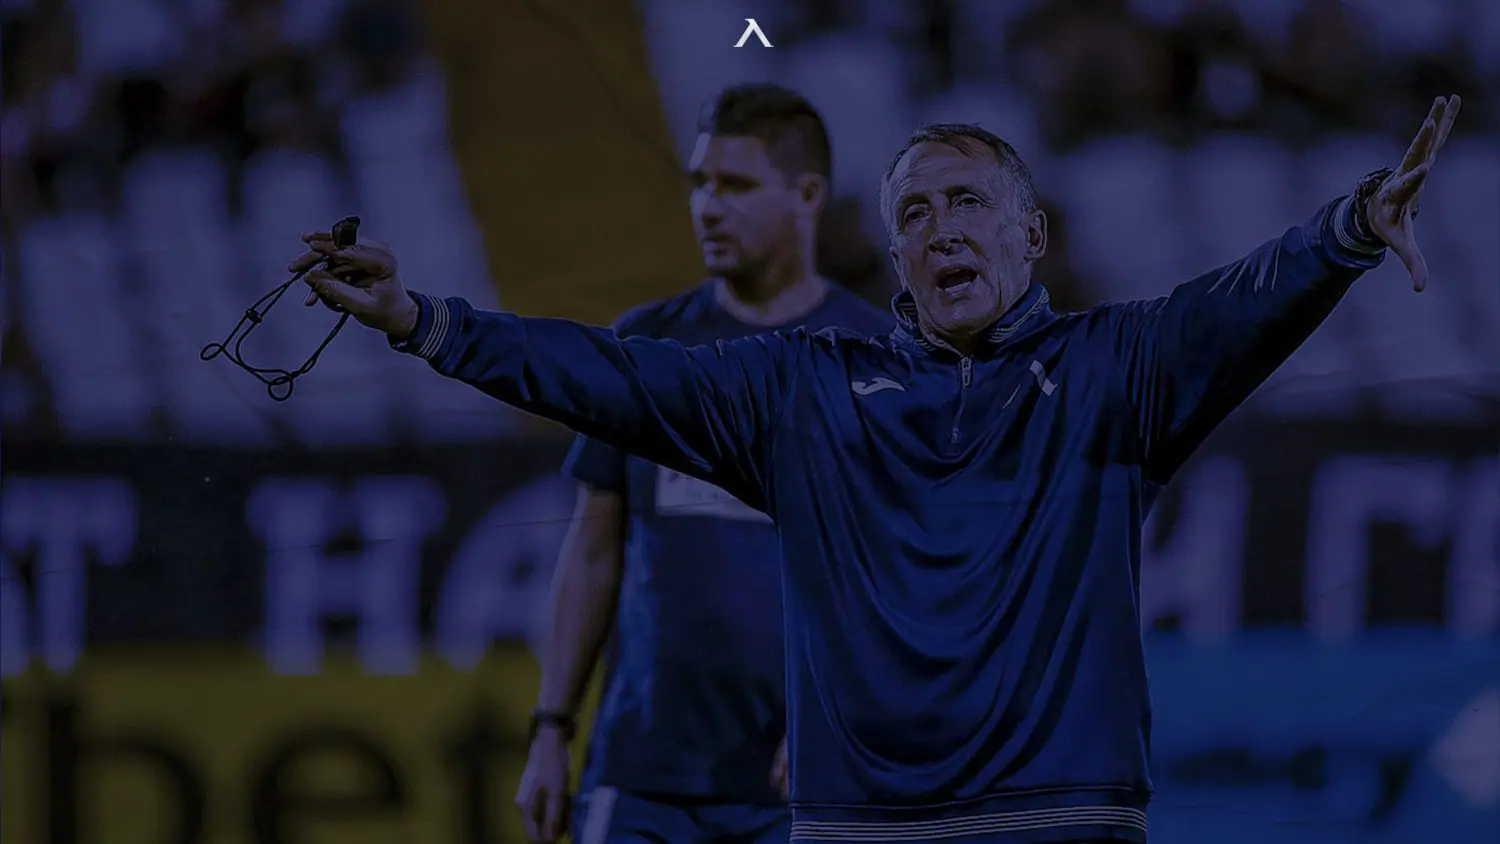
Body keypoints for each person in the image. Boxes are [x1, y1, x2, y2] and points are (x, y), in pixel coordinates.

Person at [290, 96, 1461, 844]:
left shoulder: (1118, 370)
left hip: (1061, 822)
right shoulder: (803, 389)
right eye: (915, 213)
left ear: (1030, 234)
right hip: (859, 829)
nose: (942, 227)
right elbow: (609, 374)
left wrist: (1352, 226)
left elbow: (1245, 300)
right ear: (894, 253)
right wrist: (423, 320)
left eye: (969, 202)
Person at [514, 83, 889, 844]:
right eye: (700, 183)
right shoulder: (648, 345)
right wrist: (551, 727)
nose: (708, 207)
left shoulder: (878, 361)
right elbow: (594, 549)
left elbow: (906, 573)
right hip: (641, 777)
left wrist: (842, 715)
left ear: (807, 196)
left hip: (806, 785)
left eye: (737, 185)